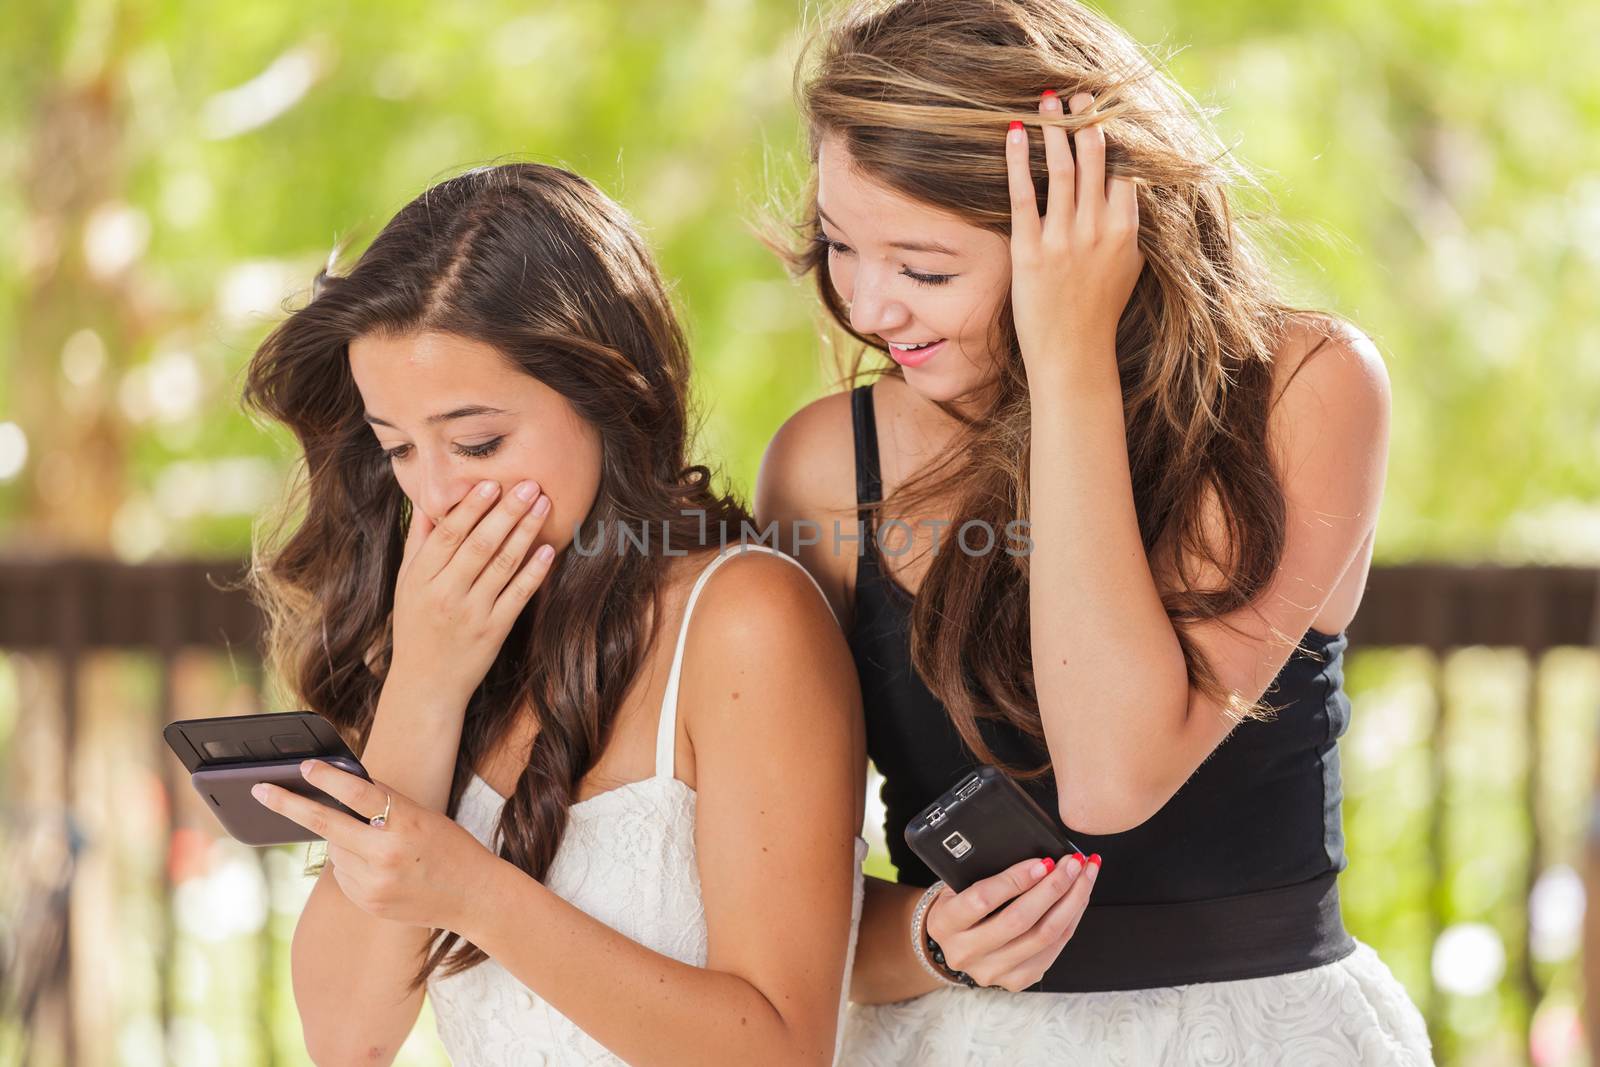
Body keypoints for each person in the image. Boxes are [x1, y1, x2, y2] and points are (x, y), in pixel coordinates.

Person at [755, 1, 1432, 1063]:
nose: (871, 307)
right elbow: (768, 913)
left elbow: (1113, 774)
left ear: (1090, 228)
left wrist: (1067, 357)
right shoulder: (825, 466)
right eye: (841, 245)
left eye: (924, 269)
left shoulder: (1303, 390)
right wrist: (927, 939)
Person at [239, 162, 867, 1066]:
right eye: (400, 450)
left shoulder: (741, 620)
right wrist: (423, 684)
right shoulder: (434, 636)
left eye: (479, 442)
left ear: (609, 398)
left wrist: (476, 895)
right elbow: (345, 1037)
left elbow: (777, 1047)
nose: (440, 494)